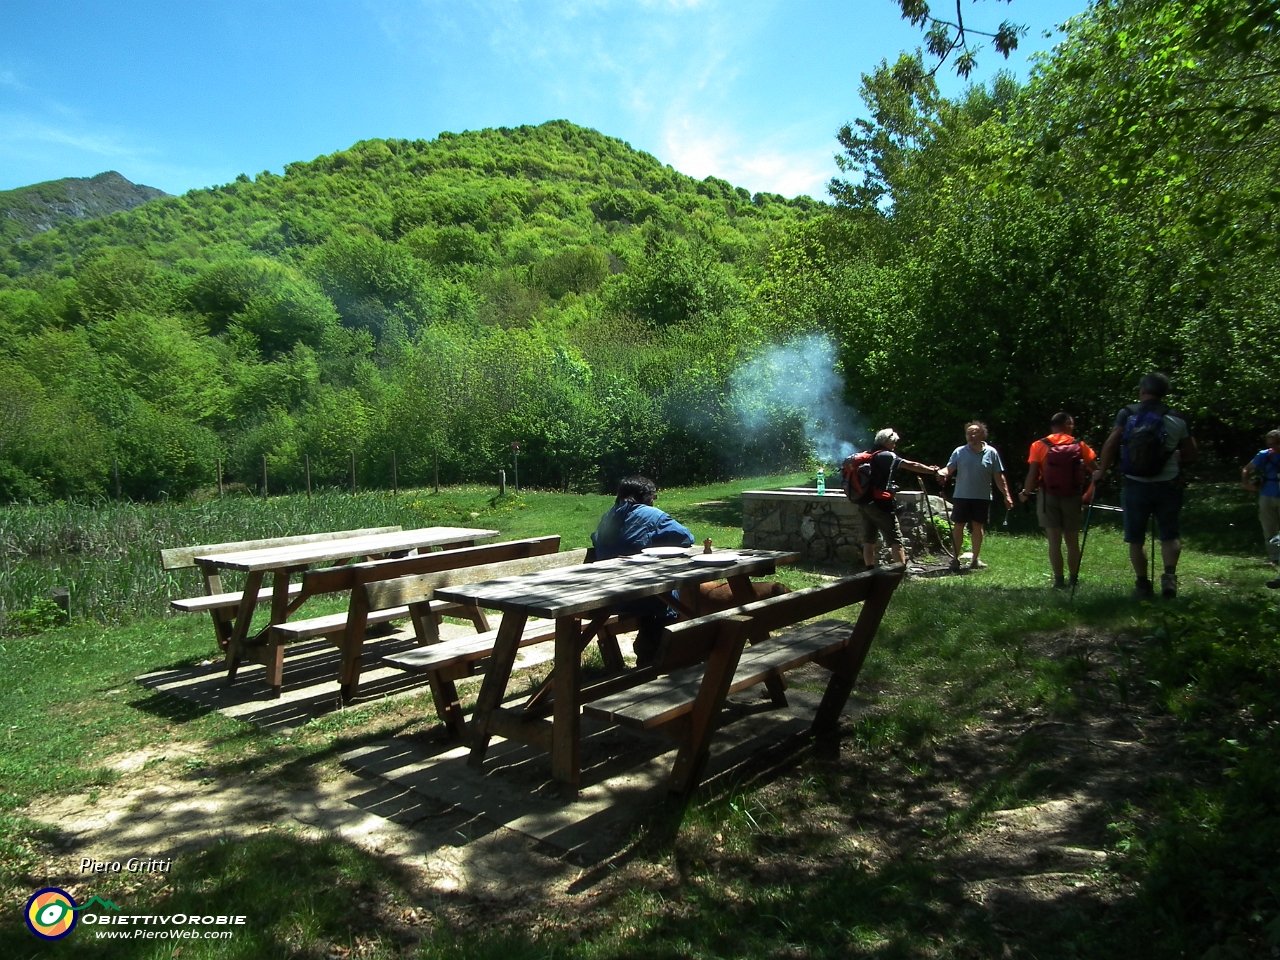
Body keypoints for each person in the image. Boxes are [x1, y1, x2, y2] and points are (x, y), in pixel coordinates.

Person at [1091, 372, 1197, 599]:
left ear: (1142, 390)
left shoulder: (1128, 414)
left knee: (1135, 537)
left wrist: (1101, 470)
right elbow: (1191, 453)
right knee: (1169, 533)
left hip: (1135, 484)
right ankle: (1169, 578)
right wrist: (1174, 454)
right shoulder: (1177, 417)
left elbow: (1111, 444)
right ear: (1164, 393)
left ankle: (1142, 584)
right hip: (1168, 483)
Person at [591, 476, 694, 665]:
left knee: (660, 595)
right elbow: (686, 537)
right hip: (638, 597)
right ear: (648, 497)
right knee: (667, 597)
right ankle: (657, 655)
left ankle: (650, 653)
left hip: (606, 594)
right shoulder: (651, 515)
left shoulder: (608, 515)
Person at [1019, 412, 1097, 589]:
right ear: (1068, 424)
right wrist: (1088, 494)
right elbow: (1097, 473)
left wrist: (1025, 492)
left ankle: (1059, 580)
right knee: (1072, 540)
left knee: (1054, 540)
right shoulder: (1080, 445)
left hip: (1048, 496)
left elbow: (1032, 474)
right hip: (1073, 497)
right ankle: (1074, 579)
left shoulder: (1039, 445)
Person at [853, 428, 945, 569]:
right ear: (887, 442)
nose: (895, 445)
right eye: (894, 442)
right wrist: (932, 471)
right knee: (896, 540)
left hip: (865, 502)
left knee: (869, 540)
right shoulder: (887, 455)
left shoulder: (869, 454)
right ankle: (900, 573)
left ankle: (869, 571)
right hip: (881, 504)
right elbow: (911, 465)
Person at [942, 422, 1014, 571]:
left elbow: (998, 476)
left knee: (977, 526)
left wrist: (1006, 496)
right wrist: (940, 473)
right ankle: (954, 559)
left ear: (982, 434)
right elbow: (949, 469)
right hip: (962, 496)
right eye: (968, 433)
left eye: (974, 433)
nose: (970, 436)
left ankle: (975, 559)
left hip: (982, 497)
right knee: (958, 526)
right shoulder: (959, 451)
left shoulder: (991, 452)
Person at [1241, 428, 1280, 587]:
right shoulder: (1265, 454)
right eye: (1270, 444)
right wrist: (1246, 484)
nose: (1273, 447)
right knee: (1269, 532)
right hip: (1267, 496)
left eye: (1276, 444)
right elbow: (1246, 469)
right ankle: (1276, 564)